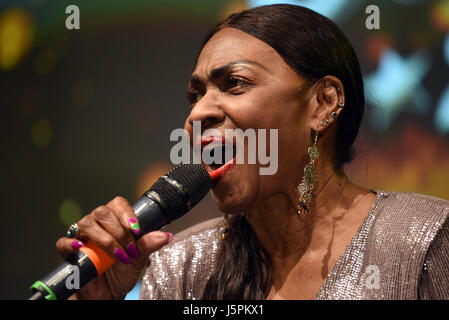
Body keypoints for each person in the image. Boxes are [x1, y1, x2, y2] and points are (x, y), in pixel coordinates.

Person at [56, 4, 449, 300]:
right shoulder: (180, 266)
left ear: (323, 103)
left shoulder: (423, 239)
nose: (197, 114)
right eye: (195, 95)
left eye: (234, 83)